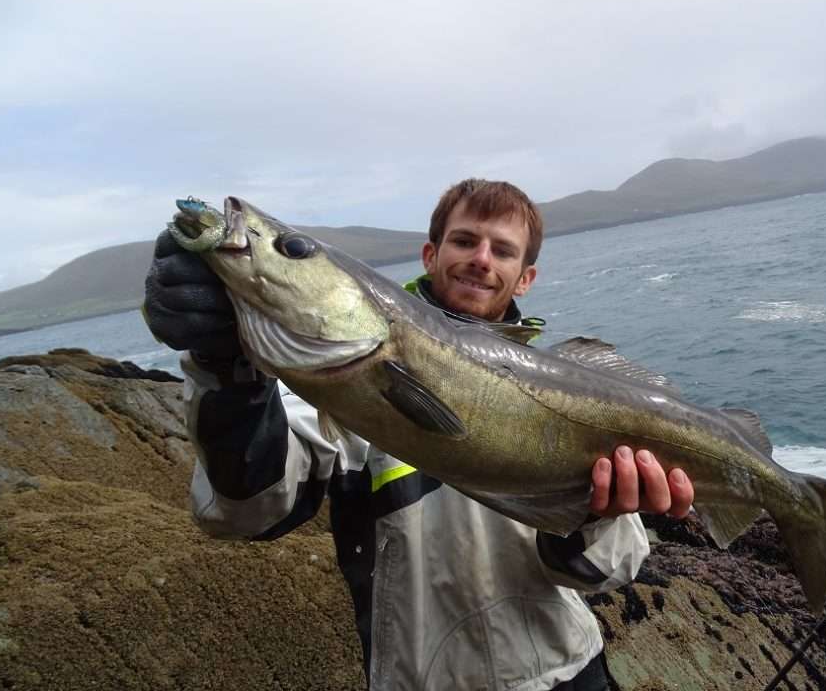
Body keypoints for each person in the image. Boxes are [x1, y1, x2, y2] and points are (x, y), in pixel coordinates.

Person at [143, 179, 694, 691]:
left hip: (568, 677)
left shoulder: (571, 396)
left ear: (525, 277)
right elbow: (247, 510)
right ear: (431, 256)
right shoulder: (334, 388)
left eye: (503, 250)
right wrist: (227, 367)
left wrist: (593, 512)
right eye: (464, 240)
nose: (481, 259)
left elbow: (606, 572)